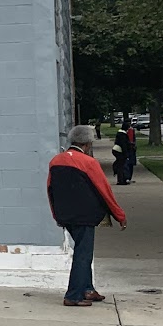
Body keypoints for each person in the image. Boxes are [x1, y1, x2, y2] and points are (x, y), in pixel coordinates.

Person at [47, 125, 127, 308]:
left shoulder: (55, 161)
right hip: (85, 216)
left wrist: (56, 214)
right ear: (88, 144)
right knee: (83, 255)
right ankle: (73, 295)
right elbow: (104, 190)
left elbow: (50, 189)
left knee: (83, 252)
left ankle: (88, 289)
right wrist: (119, 215)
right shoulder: (89, 163)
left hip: (65, 215)